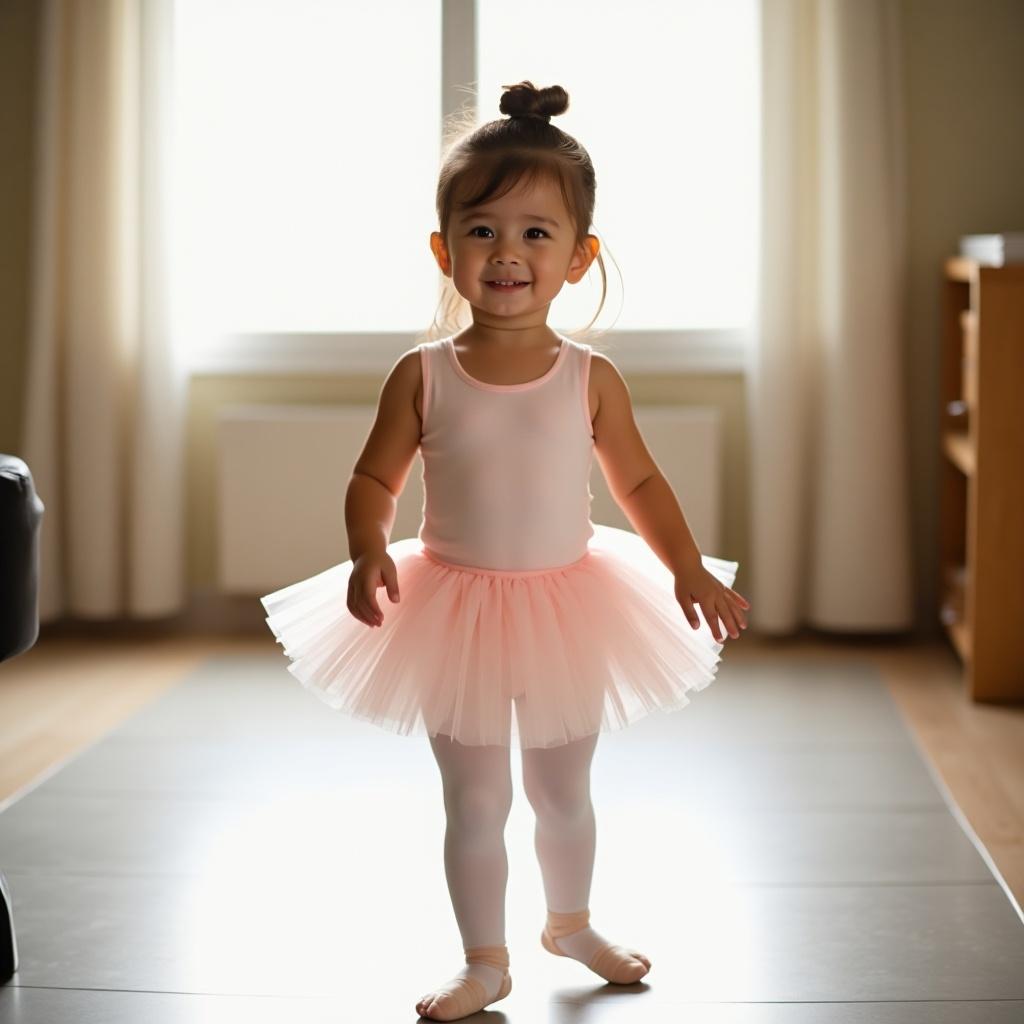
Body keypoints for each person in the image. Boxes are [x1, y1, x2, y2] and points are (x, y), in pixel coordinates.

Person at [260, 79, 751, 1022]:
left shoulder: (590, 377)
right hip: (454, 608)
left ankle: (570, 921)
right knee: (476, 801)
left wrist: (687, 565)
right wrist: (368, 549)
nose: (509, 254)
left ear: (578, 257)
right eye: (483, 231)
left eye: (537, 232)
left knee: (564, 790)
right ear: (445, 251)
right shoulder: (423, 374)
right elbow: (374, 481)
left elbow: (639, 485)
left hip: (572, 601)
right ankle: (483, 960)